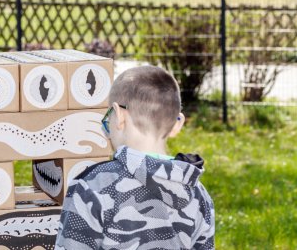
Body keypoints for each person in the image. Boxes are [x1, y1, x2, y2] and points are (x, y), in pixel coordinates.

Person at [55, 65, 215, 249]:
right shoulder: (199, 195)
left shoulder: (92, 186)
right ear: (176, 124)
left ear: (119, 115)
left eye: (109, 117)